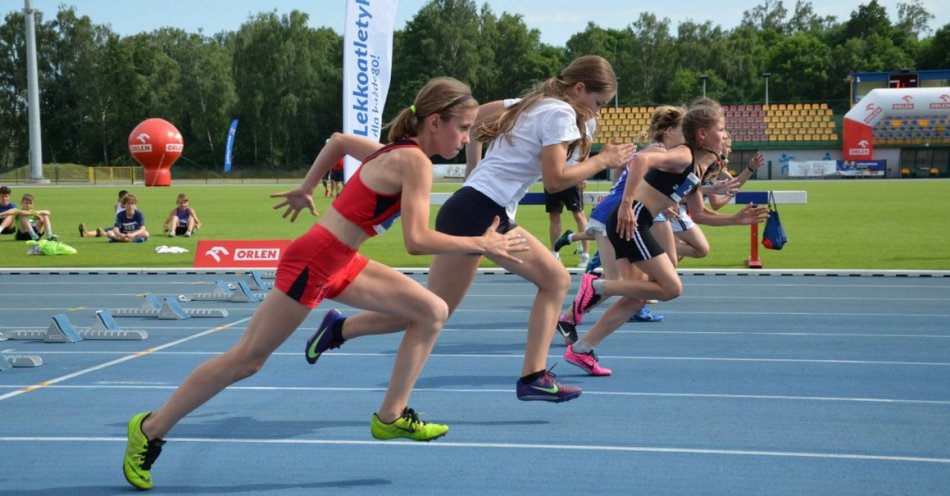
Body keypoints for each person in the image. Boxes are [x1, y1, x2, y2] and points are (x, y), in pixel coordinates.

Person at [121, 77, 528, 491]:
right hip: (316, 260)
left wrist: (307, 187)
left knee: (432, 311)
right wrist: (481, 241)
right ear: (436, 122)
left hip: (341, 258)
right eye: (463, 128)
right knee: (247, 360)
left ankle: (391, 416)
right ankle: (151, 428)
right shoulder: (415, 161)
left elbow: (336, 141)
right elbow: (416, 240)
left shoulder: (399, 151)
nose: (466, 137)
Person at [307, 55, 635, 403]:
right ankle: (533, 376)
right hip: (481, 209)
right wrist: (602, 160)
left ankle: (339, 328)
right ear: (579, 88)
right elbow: (555, 181)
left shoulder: (531, 102)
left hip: (475, 206)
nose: (598, 111)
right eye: (598, 103)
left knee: (433, 309)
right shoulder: (560, 113)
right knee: (555, 280)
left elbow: (473, 121)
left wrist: (474, 165)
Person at [562, 100, 768, 376]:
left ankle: (582, 350)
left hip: (636, 222)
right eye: (720, 129)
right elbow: (641, 159)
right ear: (702, 135)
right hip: (632, 220)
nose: (725, 135)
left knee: (635, 297)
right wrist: (625, 204)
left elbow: (698, 214)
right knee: (672, 288)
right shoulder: (683, 155)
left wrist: (735, 220)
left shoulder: (696, 170)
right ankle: (598, 287)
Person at [545, 182, 590, 267]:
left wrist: (584, 177)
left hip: (572, 179)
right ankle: (555, 254)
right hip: (554, 180)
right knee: (554, 216)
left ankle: (585, 254)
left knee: (579, 215)